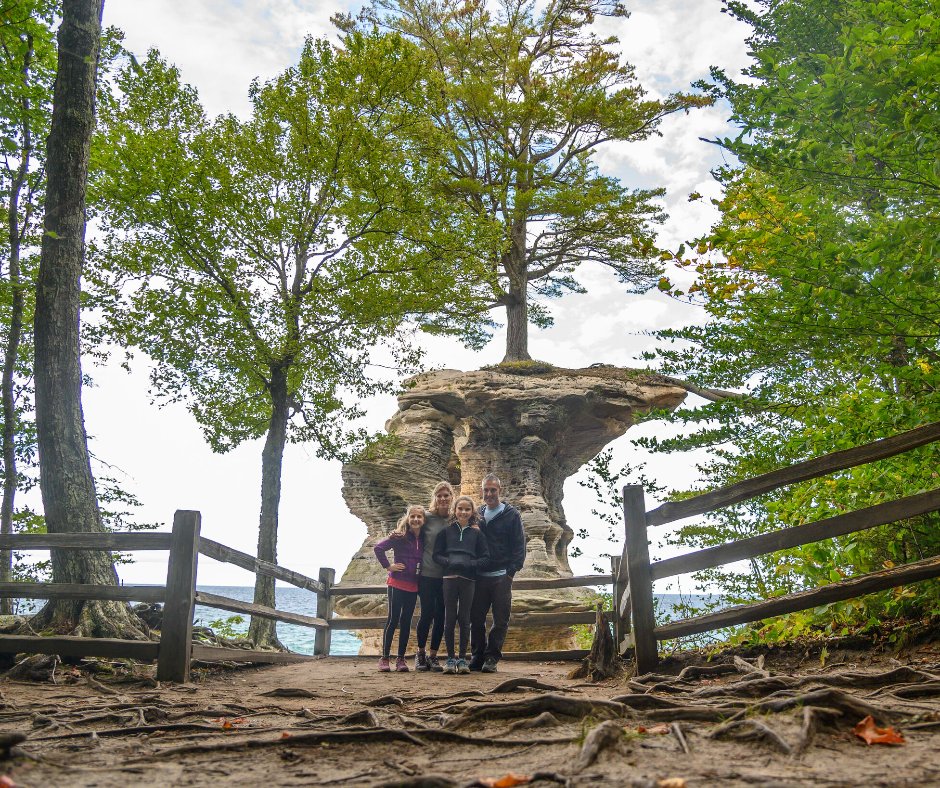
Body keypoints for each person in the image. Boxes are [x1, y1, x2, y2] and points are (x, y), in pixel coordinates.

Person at [470, 474, 526, 673]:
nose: (489, 494)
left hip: (502, 575)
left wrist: (511, 572)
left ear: (499, 491)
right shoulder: (477, 514)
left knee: (500, 619)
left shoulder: (511, 514)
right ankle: (477, 656)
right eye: (486, 490)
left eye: (493, 490)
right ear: (482, 491)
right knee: (475, 618)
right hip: (480, 576)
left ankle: (492, 658)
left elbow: (520, 545)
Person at [432, 495, 489, 674]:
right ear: (455, 510)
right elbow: (436, 555)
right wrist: (448, 562)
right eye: (460, 509)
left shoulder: (477, 534)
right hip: (449, 579)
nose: (463, 512)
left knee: (465, 619)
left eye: (467, 509)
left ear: (472, 512)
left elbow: (485, 557)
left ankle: (463, 659)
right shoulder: (446, 532)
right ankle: (450, 659)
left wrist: (470, 564)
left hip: (468, 580)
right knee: (449, 618)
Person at [373, 504, 425, 672]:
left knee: (406, 621)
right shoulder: (400, 536)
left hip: (413, 585)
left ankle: (401, 659)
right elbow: (378, 548)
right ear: (408, 519)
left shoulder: (425, 538)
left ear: (423, 520)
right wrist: (388, 566)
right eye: (413, 516)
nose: (416, 519)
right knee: (393, 619)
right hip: (396, 583)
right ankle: (385, 658)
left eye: (419, 516)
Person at [414, 481, 453, 672]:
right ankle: (420, 653)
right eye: (440, 495)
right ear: (435, 498)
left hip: (446, 577)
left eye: (446, 495)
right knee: (427, 614)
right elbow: (409, 528)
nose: (443, 498)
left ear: (451, 497)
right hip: (427, 575)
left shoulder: (455, 519)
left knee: (441, 617)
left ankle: (433, 656)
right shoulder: (427, 518)